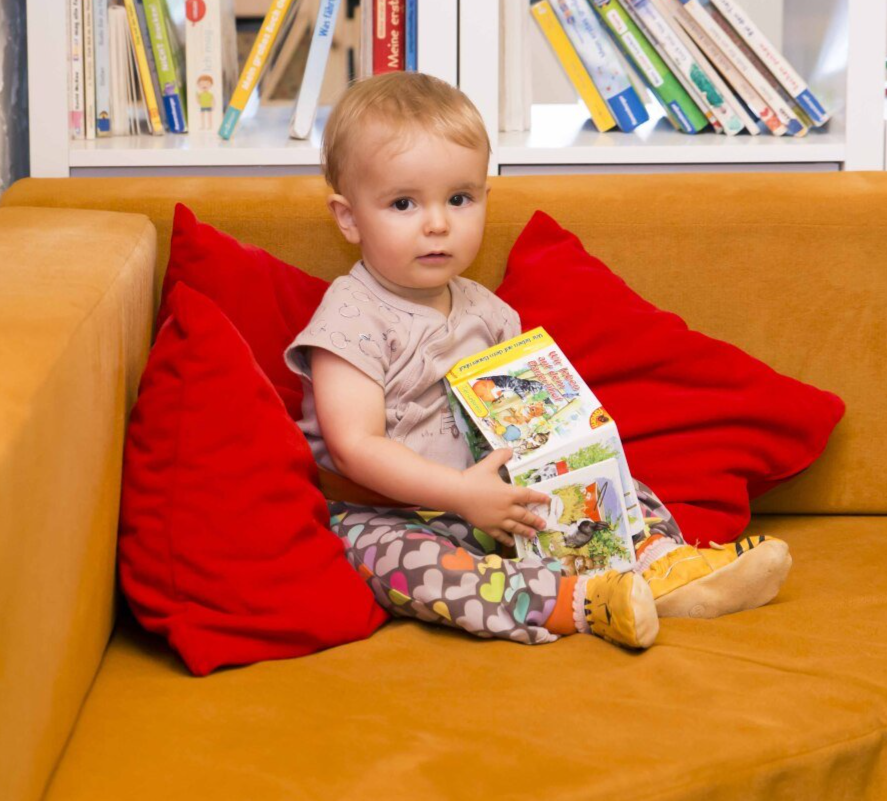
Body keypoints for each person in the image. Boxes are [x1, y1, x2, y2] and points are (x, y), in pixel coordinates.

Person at [285, 73, 791, 650]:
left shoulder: (490, 313)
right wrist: (460, 494)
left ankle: (662, 562)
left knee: (614, 476)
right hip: (385, 511)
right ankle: (576, 603)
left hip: (494, 501)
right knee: (400, 562)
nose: (438, 224)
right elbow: (355, 446)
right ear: (349, 218)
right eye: (404, 203)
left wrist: (567, 463)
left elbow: (529, 421)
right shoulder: (350, 316)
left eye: (459, 199)